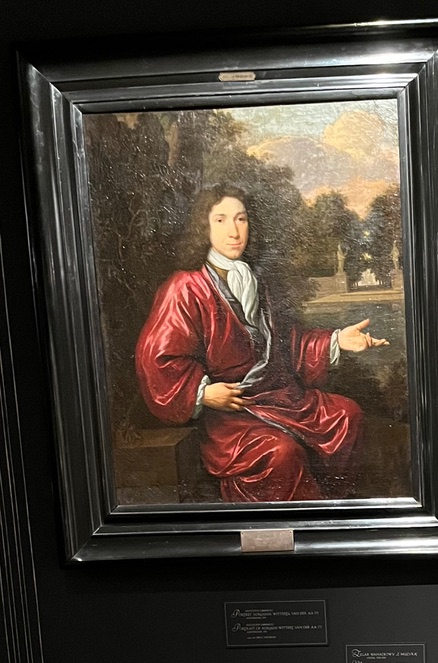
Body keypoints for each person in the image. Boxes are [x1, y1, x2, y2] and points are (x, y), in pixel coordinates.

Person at [135, 184, 388, 503]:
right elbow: (157, 358)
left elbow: (286, 345)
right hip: (232, 415)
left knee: (347, 416)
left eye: (241, 219)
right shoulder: (185, 287)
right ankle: (299, 519)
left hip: (280, 398)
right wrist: (202, 393)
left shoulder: (254, 281)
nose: (234, 231)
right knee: (281, 452)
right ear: (204, 227)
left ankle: (328, 509)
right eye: (221, 220)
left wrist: (336, 340)